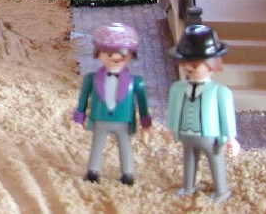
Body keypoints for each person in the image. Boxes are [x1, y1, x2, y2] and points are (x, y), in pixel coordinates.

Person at [166, 23, 239, 204]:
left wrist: (230, 137)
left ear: (212, 65)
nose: (189, 67)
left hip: (210, 135)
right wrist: (171, 129)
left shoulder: (220, 91)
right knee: (189, 160)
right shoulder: (178, 88)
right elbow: (174, 110)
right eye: (186, 63)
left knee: (215, 160)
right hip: (187, 133)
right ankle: (188, 187)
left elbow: (226, 116)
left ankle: (221, 190)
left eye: (195, 64)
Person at [74, 23, 152, 186]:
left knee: (125, 146)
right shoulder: (91, 79)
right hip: (100, 118)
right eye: (108, 53)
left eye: (122, 53)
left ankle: (127, 173)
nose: (115, 57)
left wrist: (146, 125)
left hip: (123, 120)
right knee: (97, 144)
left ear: (131, 55)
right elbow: (83, 100)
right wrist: (78, 119)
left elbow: (143, 104)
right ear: (98, 53)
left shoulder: (136, 82)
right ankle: (93, 171)